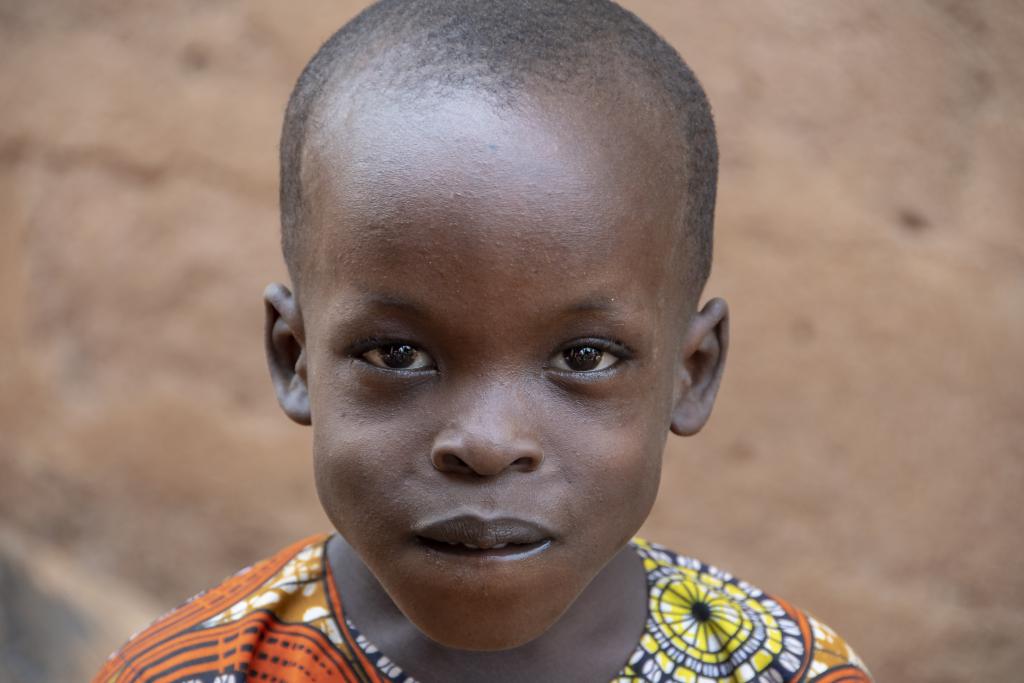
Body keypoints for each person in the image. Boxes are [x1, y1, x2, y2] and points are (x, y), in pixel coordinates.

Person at [95, 1, 872, 681]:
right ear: (293, 357)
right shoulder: (185, 673)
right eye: (397, 355)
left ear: (690, 371)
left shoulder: (787, 671)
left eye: (584, 356)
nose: (487, 443)